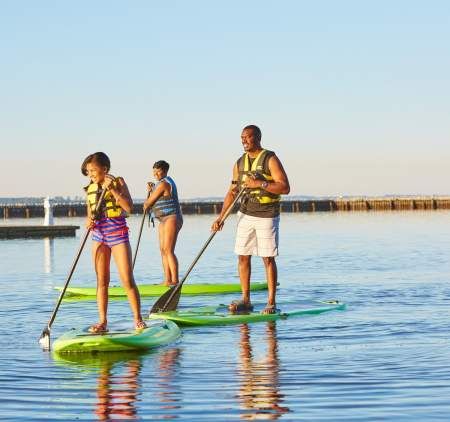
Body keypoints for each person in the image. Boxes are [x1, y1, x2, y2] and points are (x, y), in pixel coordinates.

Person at [211, 125, 290, 314]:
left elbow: (285, 187)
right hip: (245, 214)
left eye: (247, 137)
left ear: (258, 137)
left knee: (267, 258)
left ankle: (271, 302)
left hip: (267, 215)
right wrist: (221, 217)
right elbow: (231, 193)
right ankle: (245, 299)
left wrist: (259, 183)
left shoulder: (270, 158)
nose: (244, 140)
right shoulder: (239, 163)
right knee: (243, 256)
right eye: (242, 138)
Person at [82, 152, 147, 333]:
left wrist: (112, 190)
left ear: (105, 169)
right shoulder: (90, 188)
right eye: (88, 171)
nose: (91, 174)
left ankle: (138, 319)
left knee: (127, 279)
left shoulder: (119, 182)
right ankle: (102, 321)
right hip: (98, 236)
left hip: (118, 235)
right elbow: (89, 213)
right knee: (102, 280)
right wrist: (89, 221)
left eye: (93, 170)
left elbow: (128, 207)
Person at [143, 160, 183, 286]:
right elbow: (149, 201)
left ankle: (175, 281)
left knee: (168, 250)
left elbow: (148, 203)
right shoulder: (158, 185)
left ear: (165, 171)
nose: (155, 174)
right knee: (163, 250)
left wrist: (149, 194)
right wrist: (150, 191)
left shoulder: (164, 184)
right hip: (163, 220)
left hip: (172, 217)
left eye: (158, 171)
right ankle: (167, 280)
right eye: (154, 171)